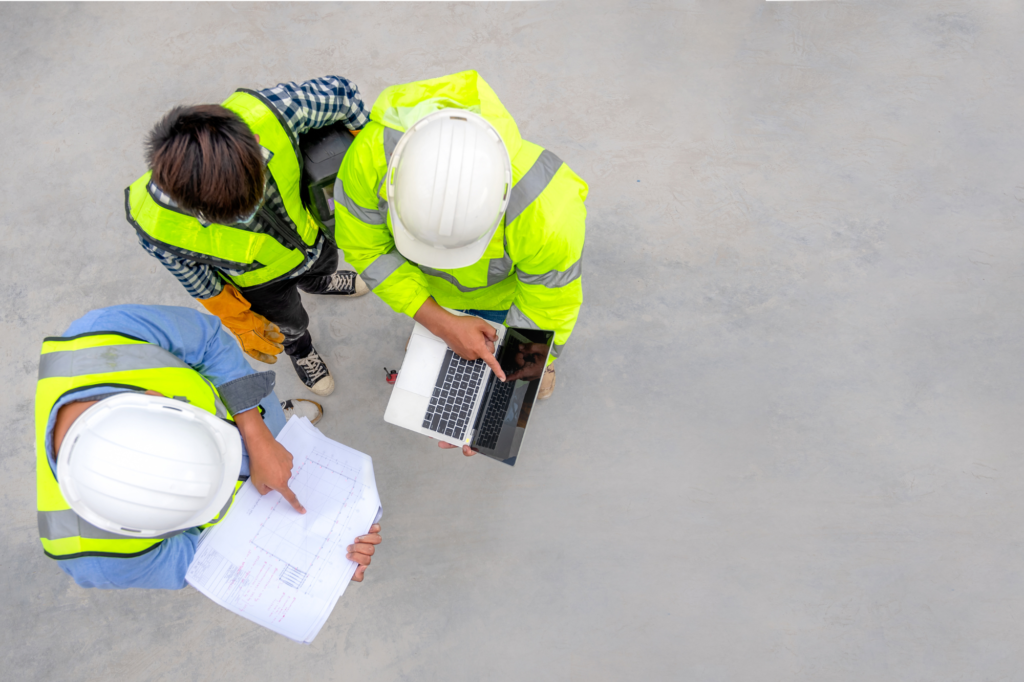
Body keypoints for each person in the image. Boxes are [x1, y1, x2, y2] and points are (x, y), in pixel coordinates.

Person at [35, 305, 382, 589]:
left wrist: (256, 429)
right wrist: (322, 561)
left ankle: (278, 420)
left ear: (152, 398)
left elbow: (209, 342)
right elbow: (210, 563)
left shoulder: (106, 335)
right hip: (256, 500)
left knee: (266, 414)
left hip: (252, 419)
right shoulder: (98, 561)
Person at [333, 71, 588, 451]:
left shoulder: (546, 210)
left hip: (506, 302)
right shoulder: (371, 158)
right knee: (451, 344)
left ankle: (537, 371)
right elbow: (366, 249)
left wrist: (504, 401)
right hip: (433, 297)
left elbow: (546, 308)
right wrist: (439, 321)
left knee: (518, 361)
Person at [125, 77, 372, 396]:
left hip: (313, 235)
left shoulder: (275, 112)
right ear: (185, 200)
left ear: (254, 141)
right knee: (290, 324)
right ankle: (301, 350)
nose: (249, 214)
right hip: (261, 282)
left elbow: (343, 95)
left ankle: (318, 282)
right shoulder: (156, 225)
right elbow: (199, 281)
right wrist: (241, 320)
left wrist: (370, 160)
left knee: (323, 265)